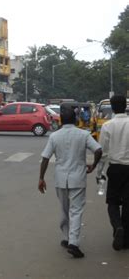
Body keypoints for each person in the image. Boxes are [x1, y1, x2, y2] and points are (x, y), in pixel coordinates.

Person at [38, 106, 102, 258]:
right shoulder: (84, 134)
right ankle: (73, 242)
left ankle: (66, 238)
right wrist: (93, 166)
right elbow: (98, 150)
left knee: (64, 210)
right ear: (76, 119)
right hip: (78, 178)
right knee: (76, 211)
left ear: (60, 120)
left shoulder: (54, 136)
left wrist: (41, 178)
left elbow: (45, 158)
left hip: (60, 179)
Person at [97, 95, 129, 251]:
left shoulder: (107, 126)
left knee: (113, 202)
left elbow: (102, 152)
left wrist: (99, 172)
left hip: (115, 168)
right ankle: (126, 238)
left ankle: (117, 227)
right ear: (125, 106)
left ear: (113, 108)